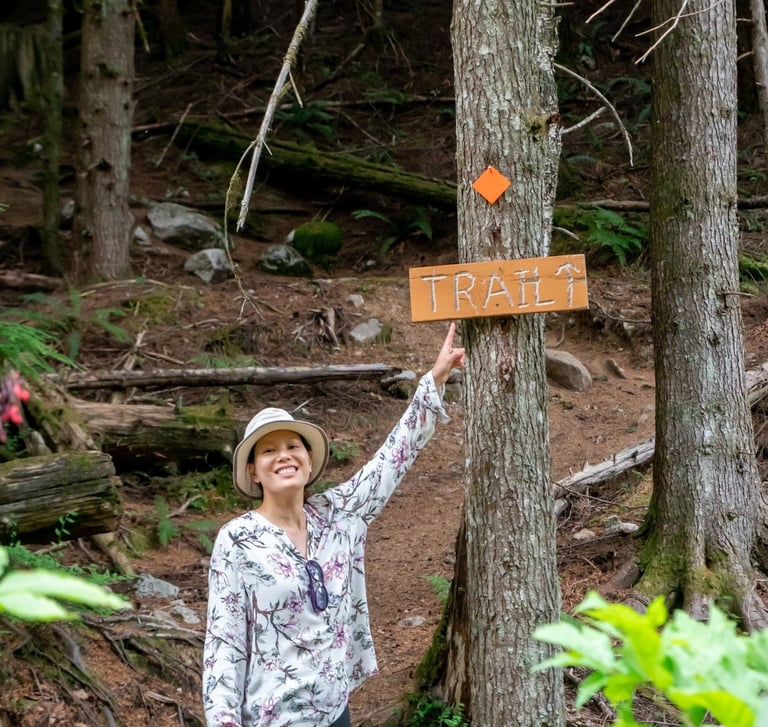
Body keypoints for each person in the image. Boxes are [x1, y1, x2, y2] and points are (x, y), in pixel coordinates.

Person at [202, 322, 466, 727]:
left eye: (293, 446)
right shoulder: (237, 541)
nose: (284, 455)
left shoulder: (338, 515)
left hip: (334, 711)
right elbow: (224, 645)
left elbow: (391, 460)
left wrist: (433, 380)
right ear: (254, 471)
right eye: (269, 450)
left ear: (308, 460)